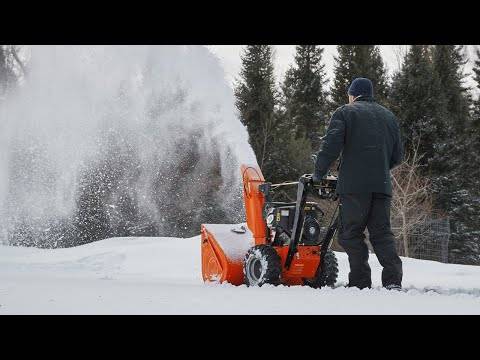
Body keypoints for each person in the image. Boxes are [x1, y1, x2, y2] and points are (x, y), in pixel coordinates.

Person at [313, 77, 403, 290]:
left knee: (351, 233)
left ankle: (360, 283)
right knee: (382, 233)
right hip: (382, 186)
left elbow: (330, 146)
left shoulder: (345, 112)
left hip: (354, 187)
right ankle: (392, 282)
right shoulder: (389, 117)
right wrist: (378, 169)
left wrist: (319, 173)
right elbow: (398, 156)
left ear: (353, 94)